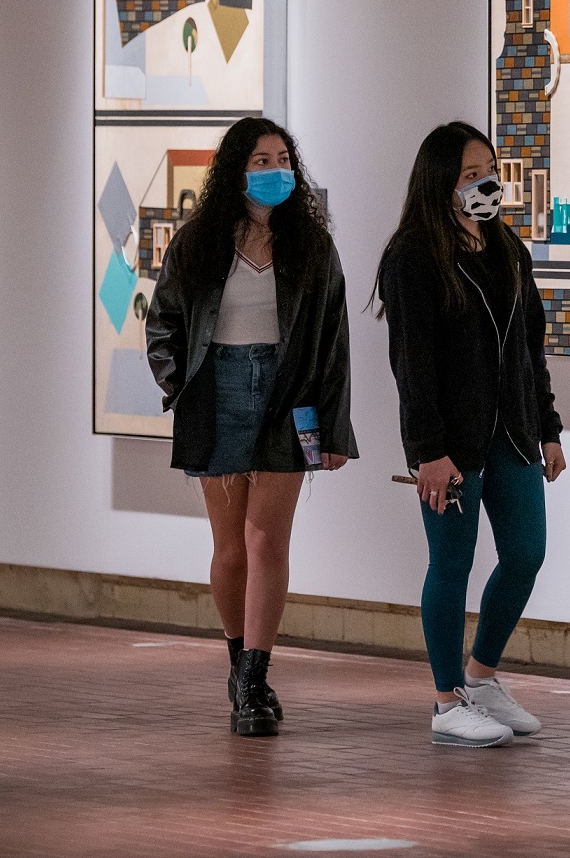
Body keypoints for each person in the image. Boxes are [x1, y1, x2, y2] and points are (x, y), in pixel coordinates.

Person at [146, 116, 355, 738]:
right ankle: (238, 664)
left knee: (268, 542)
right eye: (261, 160)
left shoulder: (314, 247)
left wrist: (334, 430)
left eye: (284, 159)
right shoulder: (198, 242)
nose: (275, 171)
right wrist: (177, 385)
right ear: (236, 169)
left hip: (288, 395)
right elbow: (164, 322)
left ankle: (258, 680)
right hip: (216, 390)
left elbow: (334, 342)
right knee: (230, 545)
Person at [377, 121, 567, 748]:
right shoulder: (412, 256)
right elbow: (412, 363)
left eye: (488, 169)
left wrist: (548, 430)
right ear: (440, 183)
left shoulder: (508, 249)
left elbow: (528, 351)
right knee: (451, 565)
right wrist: (426, 452)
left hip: (511, 435)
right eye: (468, 174)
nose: (485, 183)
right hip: (449, 448)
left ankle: (482, 676)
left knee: (526, 552)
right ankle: (446, 697)